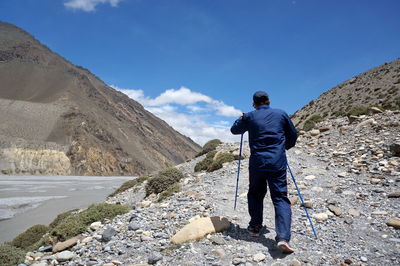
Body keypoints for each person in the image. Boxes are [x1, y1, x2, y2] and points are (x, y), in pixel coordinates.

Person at [230, 91, 298, 253]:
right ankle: (282, 237)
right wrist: (282, 148)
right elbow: (293, 135)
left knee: (255, 193)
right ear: (268, 101)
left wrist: (241, 118)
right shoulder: (281, 114)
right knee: (280, 197)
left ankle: (255, 227)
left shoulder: (250, 116)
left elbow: (234, 130)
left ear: (254, 103)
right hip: (277, 162)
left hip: (257, 163)